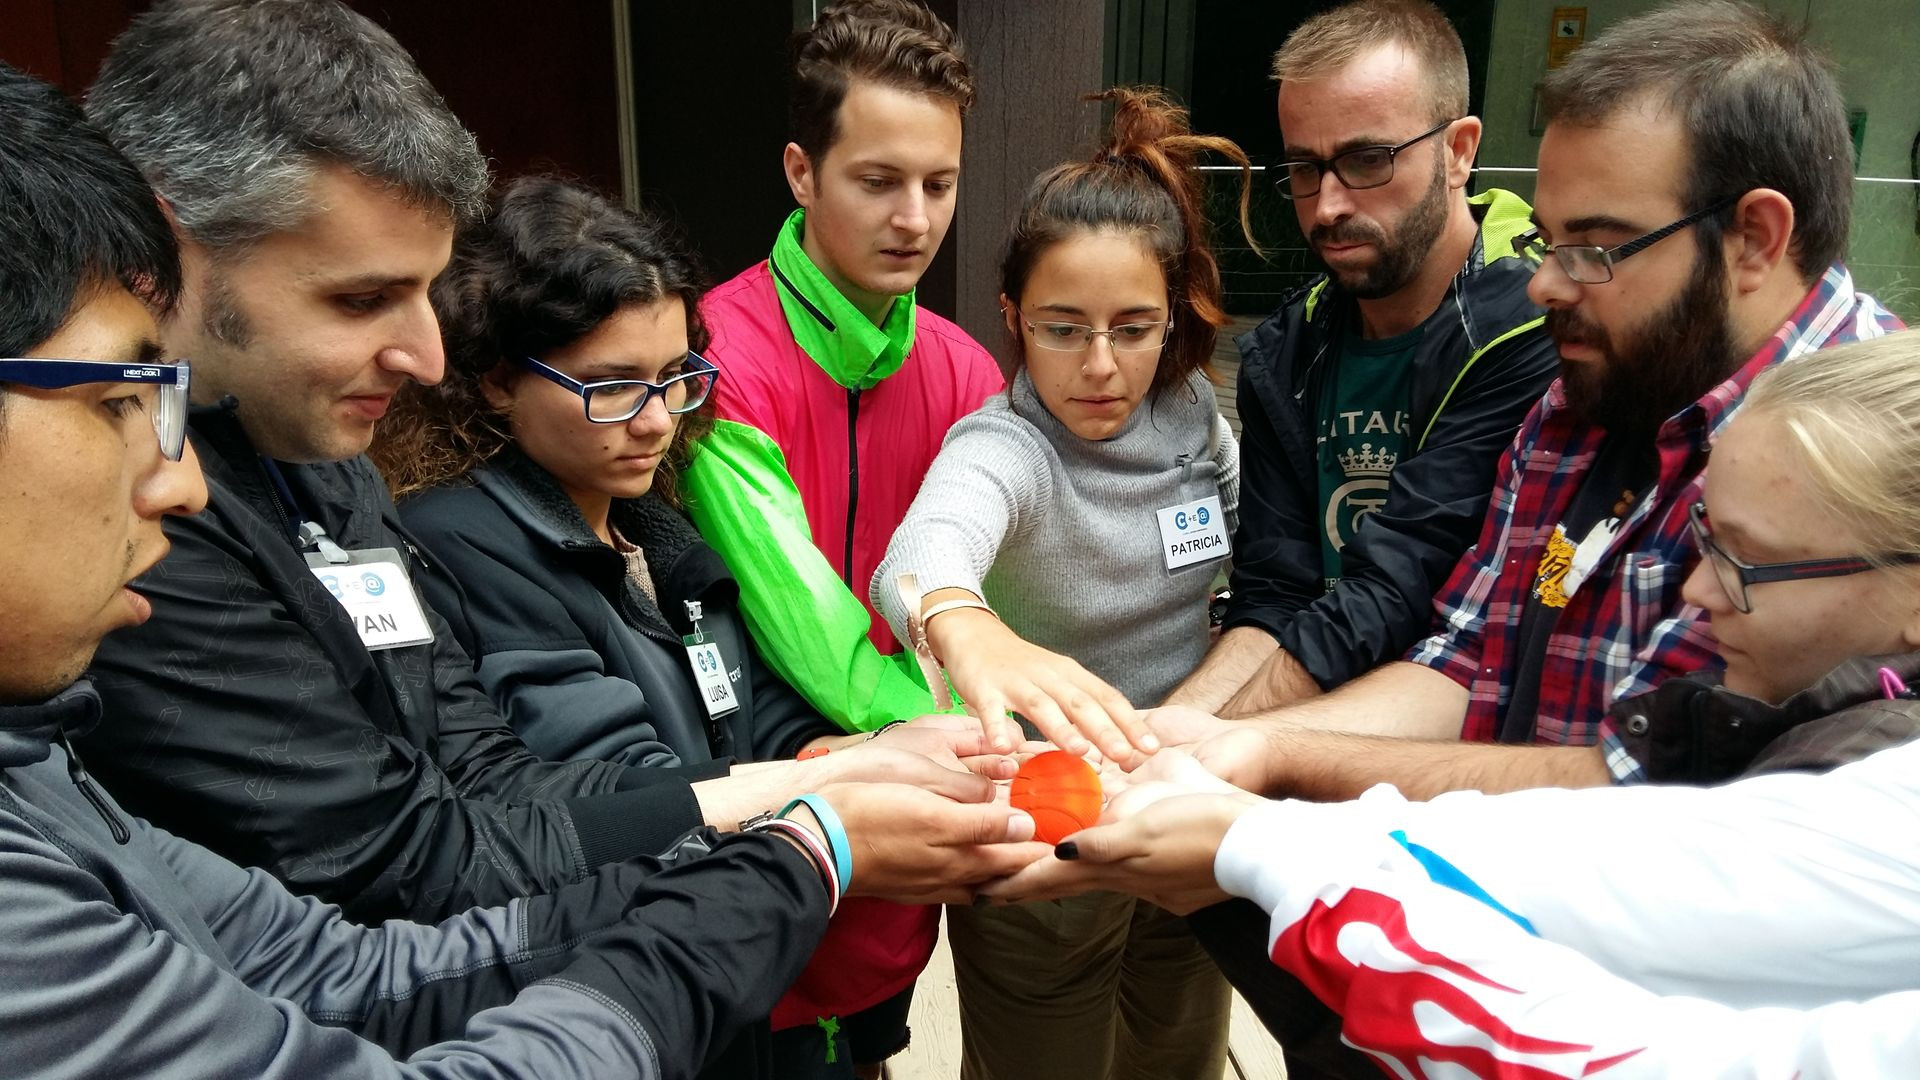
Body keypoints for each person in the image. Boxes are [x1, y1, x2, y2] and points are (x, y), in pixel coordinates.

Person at [0, 59, 1048, 1080]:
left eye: (675, 379)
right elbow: (415, 865)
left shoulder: (337, 482)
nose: (423, 354)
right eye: (118, 400)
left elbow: (382, 923)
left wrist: (811, 794)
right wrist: (804, 833)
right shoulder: (392, 540)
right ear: (175, 247)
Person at [1157, 0, 1901, 800]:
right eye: (1550, 243)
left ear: (1753, 238)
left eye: (1592, 249)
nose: (1544, 284)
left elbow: (1655, 789)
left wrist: (1265, 769)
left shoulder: (1867, 452)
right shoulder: (1579, 395)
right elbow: (1472, 656)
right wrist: (1213, 751)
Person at [376, 174, 1009, 1076]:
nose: (656, 420)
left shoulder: (649, 522)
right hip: (609, 977)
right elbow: (621, 783)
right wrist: (843, 791)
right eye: (610, 387)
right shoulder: (463, 542)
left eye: (676, 378)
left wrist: (889, 743)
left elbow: (743, 705)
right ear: (498, 380)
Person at [871, 87, 1249, 1080]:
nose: (1100, 367)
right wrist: (970, 626)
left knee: (1181, 1052)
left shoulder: (1195, 425)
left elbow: (1257, 563)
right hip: (1048, 821)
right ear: (1012, 319)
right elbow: (916, 555)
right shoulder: (1007, 448)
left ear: (1174, 318)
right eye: (1061, 327)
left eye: (1134, 327)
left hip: (1184, 796)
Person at [1165, 0, 1557, 720]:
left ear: (1459, 151)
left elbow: (1402, 585)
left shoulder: (1539, 322)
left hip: (1469, 719)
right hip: (1317, 699)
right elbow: (1277, 593)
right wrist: (1164, 735)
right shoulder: (1290, 348)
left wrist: (1213, 750)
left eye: (1367, 160)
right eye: (1306, 169)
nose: (1327, 207)